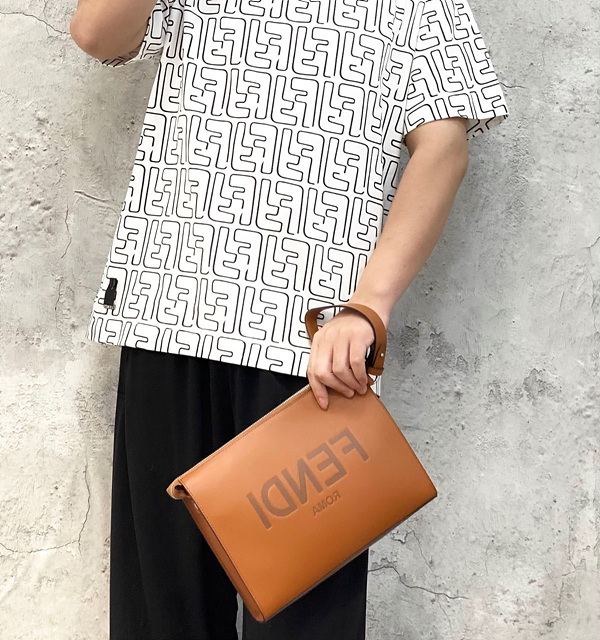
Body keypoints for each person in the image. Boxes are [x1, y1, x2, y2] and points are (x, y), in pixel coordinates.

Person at [69, 1, 509, 638]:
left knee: (307, 624)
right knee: (160, 617)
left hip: (309, 349)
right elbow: (96, 33)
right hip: (165, 313)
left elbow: (443, 147)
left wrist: (370, 304)